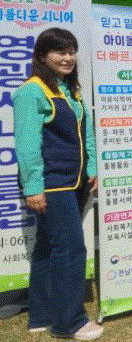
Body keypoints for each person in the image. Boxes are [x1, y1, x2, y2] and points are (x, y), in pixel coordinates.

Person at [12, 28, 103, 339]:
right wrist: (33, 187)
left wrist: (92, 167)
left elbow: (87, 132)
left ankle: (41, 315)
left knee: (48, 246)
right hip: (52, 184)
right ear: (42, 55)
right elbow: (27, 145)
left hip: (74, 181)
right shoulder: (31, 92)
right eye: (60, 52)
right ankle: (69, 322)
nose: (68, 58)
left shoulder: (70, 89)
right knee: (71, 249)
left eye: (72, 51)